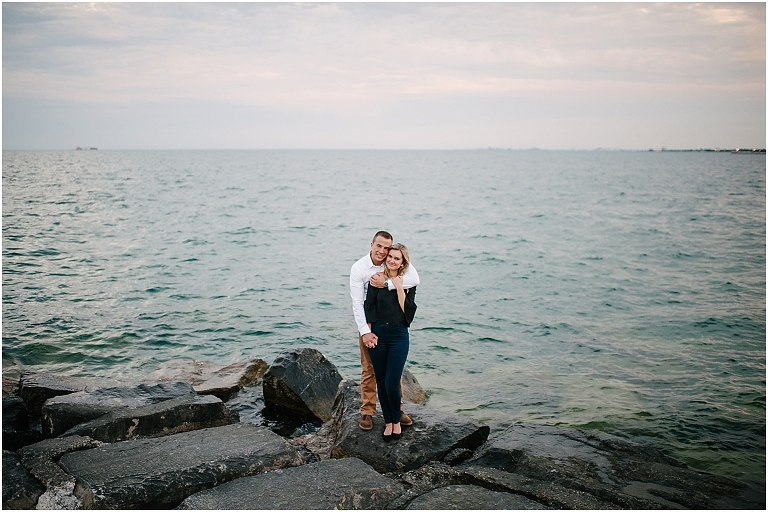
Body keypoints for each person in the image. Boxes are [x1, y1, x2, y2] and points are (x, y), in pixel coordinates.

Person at [350, 231, 419, 431]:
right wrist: (365, 331)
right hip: (367, 322)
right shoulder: (359, 268)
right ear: (371, 244)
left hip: (391, 324)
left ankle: (397, 409)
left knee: (392, 371)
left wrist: (387, 283)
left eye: (386, 248)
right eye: (378, 246)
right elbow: (357, 303)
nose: (382, 252)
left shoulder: (392, 259)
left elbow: (414, 279)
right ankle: (368, 411)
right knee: (369, 368)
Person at [363, 243, 417, 441]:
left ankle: (396, 420)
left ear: (403, 262)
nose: (392, 260)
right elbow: (368, 307)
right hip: (378, 334)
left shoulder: (408, 282)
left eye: (397, 258)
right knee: (381, 381)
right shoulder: (376, 280)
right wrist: (368, 333)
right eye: (390, 257)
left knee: (391, 382)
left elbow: (406, 313)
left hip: (399, 335)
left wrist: (399, 286)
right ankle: (388, 422)